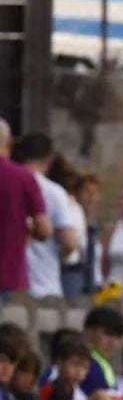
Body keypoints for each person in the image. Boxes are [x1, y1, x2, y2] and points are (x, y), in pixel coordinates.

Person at [12, 133, 78, 299]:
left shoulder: (7, 183)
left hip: (10, 284)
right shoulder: (54, 192)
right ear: (49, 158)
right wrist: (60, 255)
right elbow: (69, 242)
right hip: (44, 285)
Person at [0, 118, 50, 297]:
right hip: (10, 278)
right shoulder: (23, 178)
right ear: (8, 142)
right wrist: (28, 230)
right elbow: (44, 230)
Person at [61, 172, 101, 298]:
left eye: (95, 193)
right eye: (87, 191)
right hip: (73, 278)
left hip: (94, 285)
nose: (91, 197)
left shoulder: (94, 228)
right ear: (76, 194)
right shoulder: (70, 219)